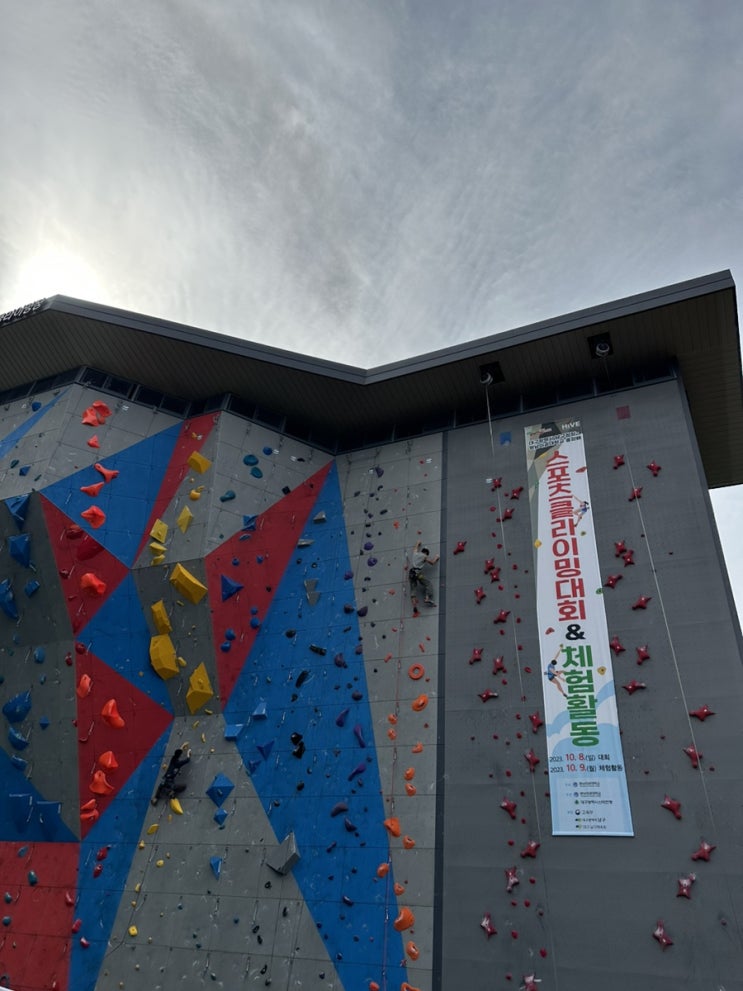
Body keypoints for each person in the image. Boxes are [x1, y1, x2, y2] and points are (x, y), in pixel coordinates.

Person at [408, 541, 440, 607]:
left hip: (411, 573)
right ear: (426, 553)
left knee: (413, 588)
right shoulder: (424, 556)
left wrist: (418, 543)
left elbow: (415, 547)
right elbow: (432, 562)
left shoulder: (415, 554)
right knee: (428, 584)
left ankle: (414, 603)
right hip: (418, 574)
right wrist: (436, 557)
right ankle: (427, 598)